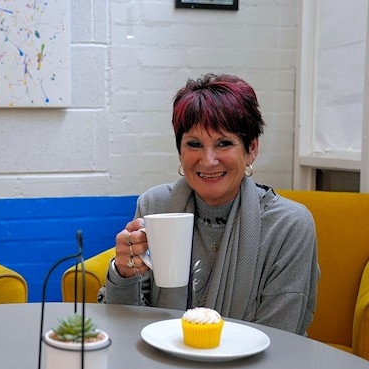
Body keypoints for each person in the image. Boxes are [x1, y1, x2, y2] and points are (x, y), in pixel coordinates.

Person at [99, 74, 320, 336]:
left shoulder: (288, 225)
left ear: (251, 149)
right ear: (180, 152)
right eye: (194, 144)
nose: (208, 160)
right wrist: (124, 273)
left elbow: (279, 337)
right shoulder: (155, 205)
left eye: (224, 143)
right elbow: (126, 324)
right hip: (164, 362)